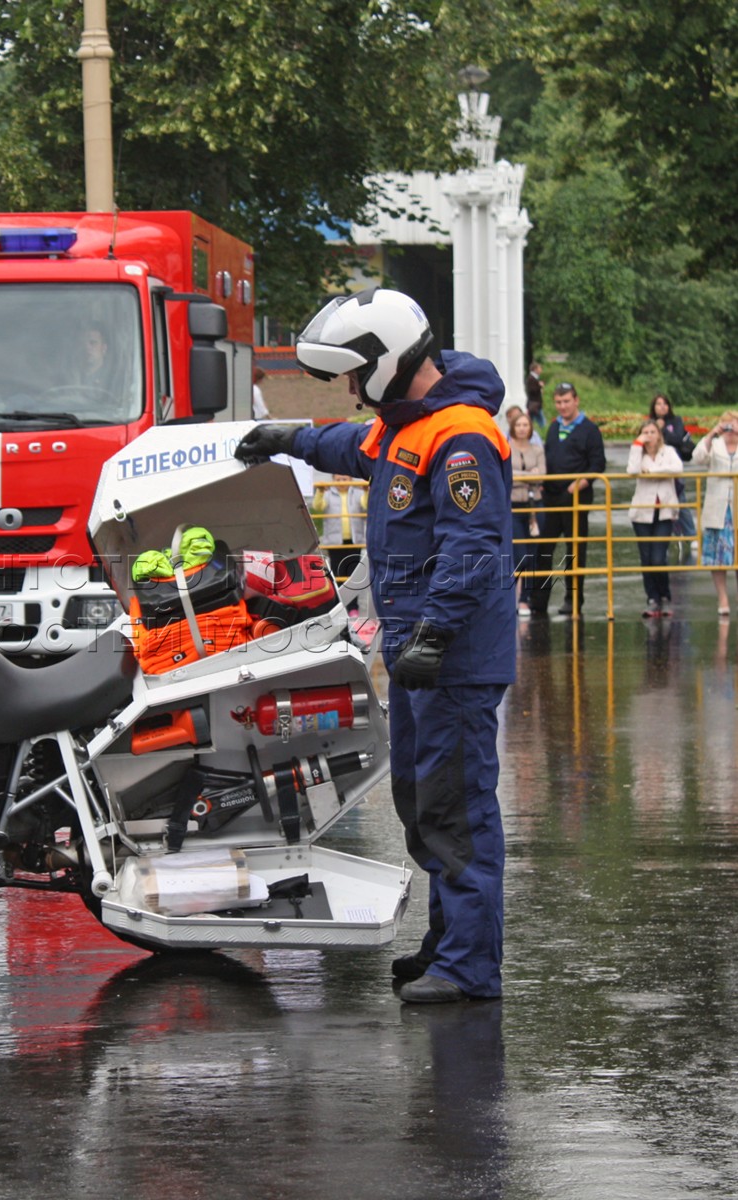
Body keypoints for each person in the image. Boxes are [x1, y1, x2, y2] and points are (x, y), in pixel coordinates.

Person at [235, 286, 514, 1004]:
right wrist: (285, 438)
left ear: (387, 362)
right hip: (422, 653)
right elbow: (349, 447)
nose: (354, 392)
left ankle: (471, 967)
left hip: (449, 656)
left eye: (357, 376)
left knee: (459, 807)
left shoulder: (460, 434)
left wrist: (435, 631)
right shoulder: (404, 426)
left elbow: (472, 544)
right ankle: (448, 945)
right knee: (424, 801)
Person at [531, 381, 606, 618]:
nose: (562, 406)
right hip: (551, 496)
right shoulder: (553, 428)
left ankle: (573, 601)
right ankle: (539, 602)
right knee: (544, 549)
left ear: (576, 400)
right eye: (558, 402)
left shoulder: (589, 429)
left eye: (566, 401)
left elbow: (597, 464)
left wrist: (580, 483)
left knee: (574, 552)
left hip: (576, 497)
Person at [627, 420, 682, 617]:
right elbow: (632, 470)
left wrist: (652, 472)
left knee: (658, 557)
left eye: (652, 432)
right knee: (646, 557)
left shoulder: (668, 451)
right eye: (645, 432)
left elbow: (677, 468)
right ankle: (652, 598)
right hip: (642, 512)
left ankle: (665, 596)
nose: (649, 435)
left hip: (664, 510)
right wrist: (637, 445)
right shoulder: (638, 453)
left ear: (659, 434)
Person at [692, 411, 738, 615]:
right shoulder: (715, 444)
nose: (731, 429)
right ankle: (723, 599)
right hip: (718, 507)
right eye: (727, 425)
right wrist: (711, 434)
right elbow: (698, 458)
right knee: (718, 558)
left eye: (734, 424)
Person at [508, 409, 546, 616]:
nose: (522, 429)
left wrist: (526, 477)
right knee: (518, 554)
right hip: (513, 505)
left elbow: (542, 477)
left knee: (532, 554)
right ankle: (510, 596)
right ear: (513, 427)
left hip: (534, 506)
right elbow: (507, 476)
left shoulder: (537, 450)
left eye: (525, 425)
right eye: (519, 425)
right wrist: (527, 475)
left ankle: (525, 599)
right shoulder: (506, 447)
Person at [649, 393, 696, 557]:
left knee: (680, 501)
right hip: (655, 469)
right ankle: (664, 540)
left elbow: (677, 439)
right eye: (658, 404)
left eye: (665, 404)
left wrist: (663, 430)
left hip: (673, 468)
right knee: (659, 506)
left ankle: (691, 535)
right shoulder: (649, 423)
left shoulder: (676, 421)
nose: (662, 407)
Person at [312, 473, 366, 615]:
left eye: (345, 479)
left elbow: (366, 506)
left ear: (351, 480)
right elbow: (318, 506)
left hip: (354, 541)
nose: (341, 482)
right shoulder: (329, 494)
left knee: (353, 574)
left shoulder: (358, 492)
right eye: (338, 480)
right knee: (338, 573)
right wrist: (320, 491)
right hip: (335, 543)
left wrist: (366, 491)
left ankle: (353, 608)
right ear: (333, 481)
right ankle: (341, 605)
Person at [525, 361, 545, 429]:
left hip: (534, 404)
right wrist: (539, 386)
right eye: (539, 368)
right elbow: (532, 390)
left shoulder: (534, 378)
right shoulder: (531, 378)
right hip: (535, 404)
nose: (541, 370)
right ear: (535, 369)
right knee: (542, 422)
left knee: (531, 421)